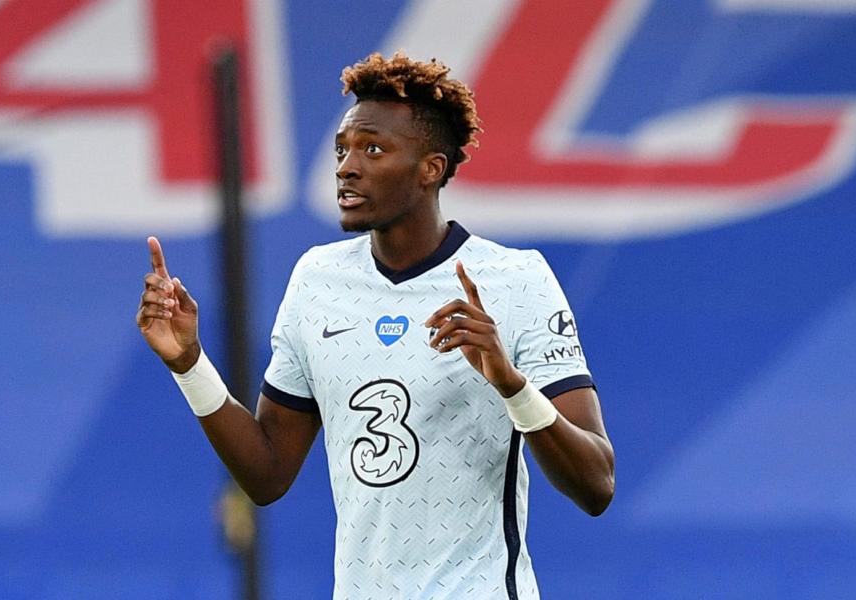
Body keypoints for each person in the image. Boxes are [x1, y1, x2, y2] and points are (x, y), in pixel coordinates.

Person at [137, 52, 614, 599]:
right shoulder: (317, 279)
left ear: (430, 169)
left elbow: (596, 483)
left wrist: (511, 385)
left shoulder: (515, 280)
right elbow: (266, 475)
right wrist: (189, 364)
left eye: (373, 148)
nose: (346, 166)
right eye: (342, 149)